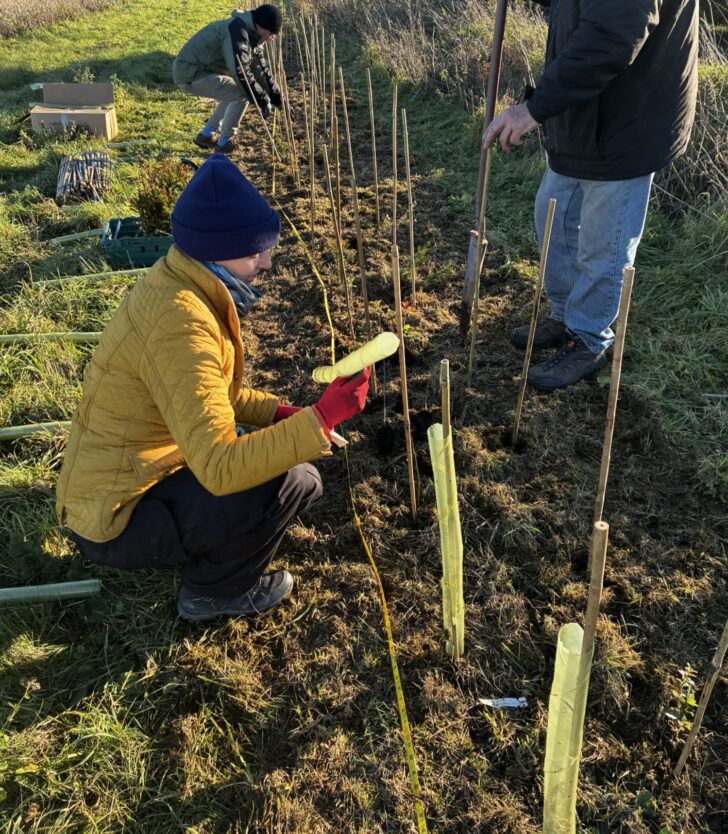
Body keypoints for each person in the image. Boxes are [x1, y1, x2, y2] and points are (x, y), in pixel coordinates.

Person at [56, 154, 371, 621]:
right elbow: (220, 468)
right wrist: (320, 420)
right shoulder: (182, 323)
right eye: (253, 252)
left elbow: (211, 394)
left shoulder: (178, 283)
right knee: (293, 480)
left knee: (271, 452)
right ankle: (214, 594)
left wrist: (280, 414)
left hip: (111, 488)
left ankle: (192, 544)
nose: (266, 262)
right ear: (214, 249)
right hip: (113, 520)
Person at [484, 0, 698, 391]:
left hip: (625, 121)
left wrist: (534, 109)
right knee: (553, 215)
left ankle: (588, 340)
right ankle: (566, 316)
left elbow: (613, 35)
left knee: (604, 245)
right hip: (581, 114)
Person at [173, 4, 283, 155]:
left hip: (201, 71)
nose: (272, 39)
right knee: (240, 94)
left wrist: (277, 97)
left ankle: (206, 135)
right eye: (272, 34)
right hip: (190, 73)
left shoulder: (250, 33)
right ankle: (224, 143)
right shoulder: (236, 32)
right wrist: (261, 99)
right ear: (263, 27)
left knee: (234, 91)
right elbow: (241, 71)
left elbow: (259, 69)